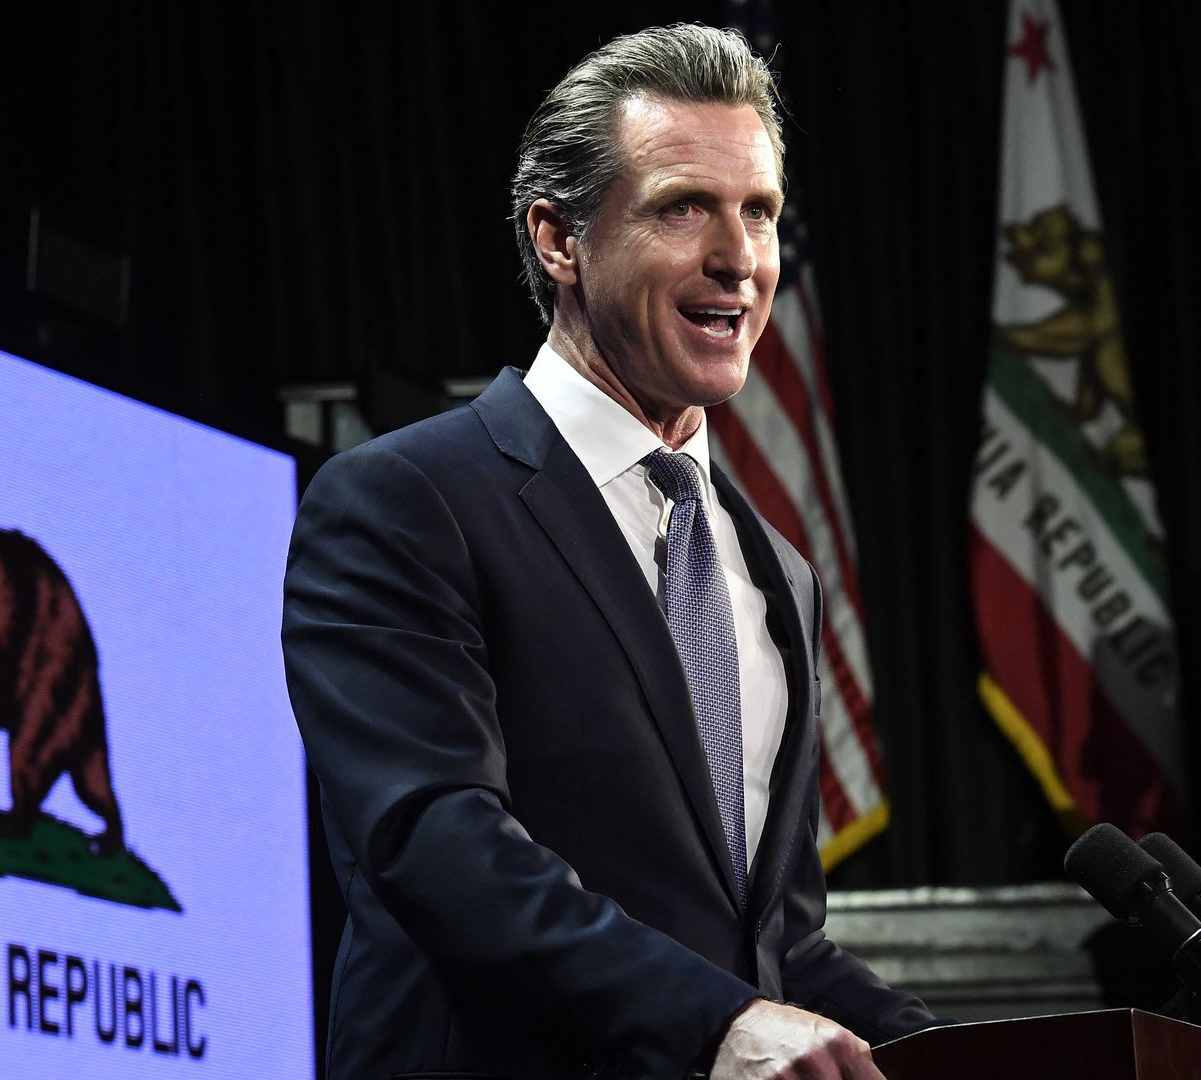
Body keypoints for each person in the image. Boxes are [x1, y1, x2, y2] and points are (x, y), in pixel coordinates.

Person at [283, 23, 937, 1079]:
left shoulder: (779, 572)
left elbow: (773, 945)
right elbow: (436, 843)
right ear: (560, 241)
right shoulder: (406, 499)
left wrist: (969, 1055)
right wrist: (712, 1022)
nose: (739, 258)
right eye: (685, 207)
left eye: (759, 212)